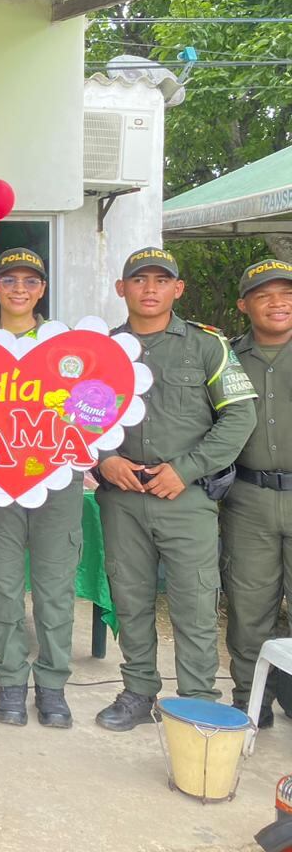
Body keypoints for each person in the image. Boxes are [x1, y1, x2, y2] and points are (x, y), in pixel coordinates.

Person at [96, 247, 257, 730]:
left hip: (183, 496)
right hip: (122, 497)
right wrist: (105, 461)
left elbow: (239, 417)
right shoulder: (100, 350)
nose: (150, 289)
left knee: (194, 599)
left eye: (161, 281)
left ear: (177, 289)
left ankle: (197, 700)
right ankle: (137, 692)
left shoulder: (207, 345)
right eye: (139, 280)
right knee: (130, 596)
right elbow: (75, 417)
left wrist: (185, 469)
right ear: (121, 289)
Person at [0, 248, 85, 728]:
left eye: (30, 281)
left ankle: (53, 686)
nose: (19, 289)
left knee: (56, 588)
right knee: (2, 588)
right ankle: (11, 683)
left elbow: (93, 408)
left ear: (42, 290)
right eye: (9, 280)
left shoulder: (69, 347)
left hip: (57, 479)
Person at [221, 258, 292, 728]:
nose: (278, 302)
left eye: (286, 293)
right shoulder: (225, 357)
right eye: (265, 295)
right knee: (249, 605)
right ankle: (253, 698)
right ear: (245, 304)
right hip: (248, 497)